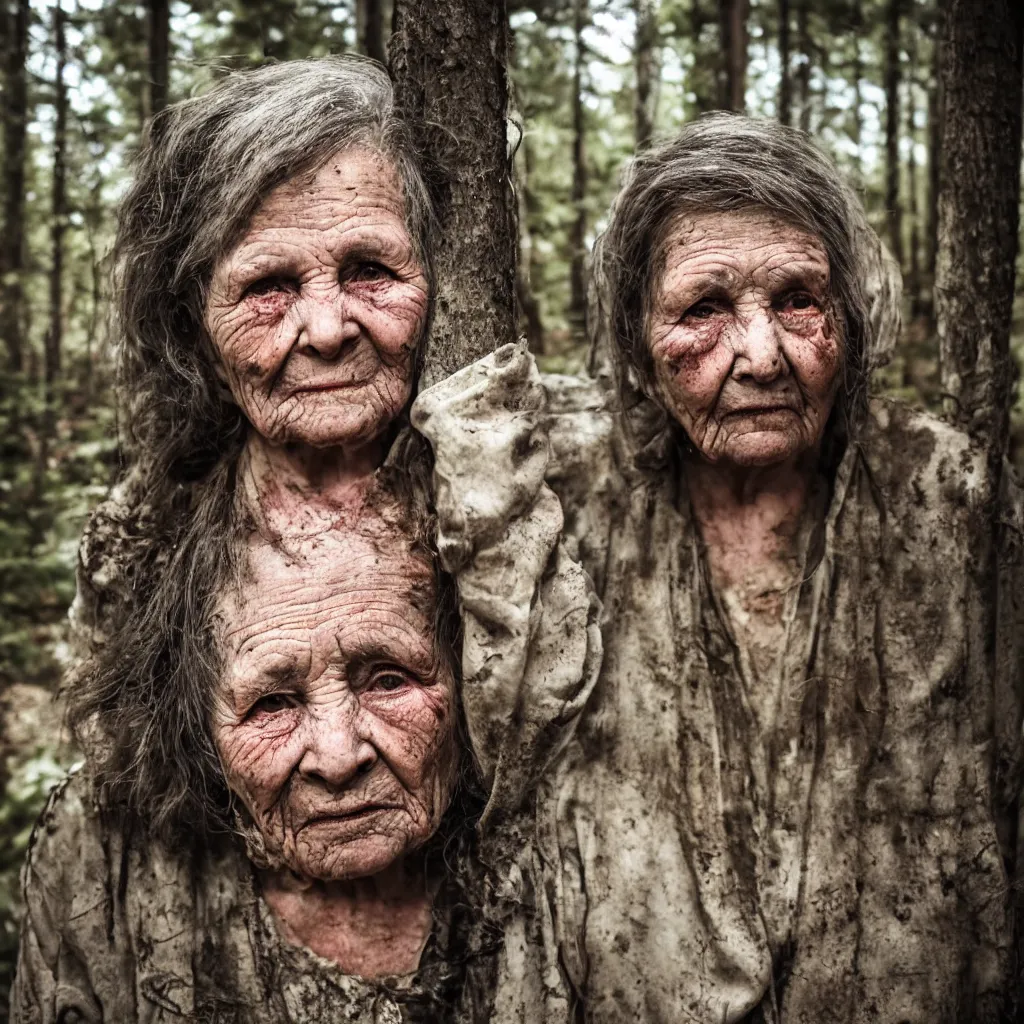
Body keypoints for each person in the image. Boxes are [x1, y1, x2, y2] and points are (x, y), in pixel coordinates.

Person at [414, 114, 1023, 1022]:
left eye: (798, 302)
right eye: (704, 310)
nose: (762, 354)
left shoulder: (951, 494)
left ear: (849, 321)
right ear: (636, 343)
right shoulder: (564, 491)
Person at [11, 57, 505, 1023]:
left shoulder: (534, 500)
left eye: (369, 271)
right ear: (193, 323)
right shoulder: (140, 543)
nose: (326, 328)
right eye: (267, 287)